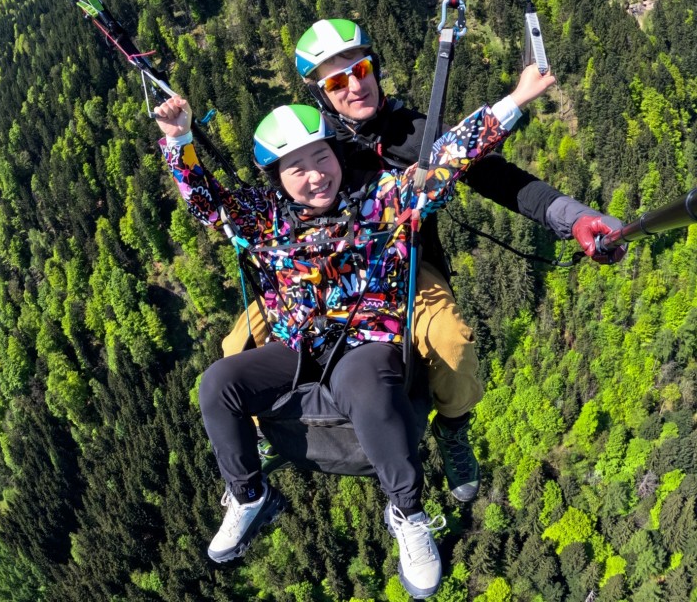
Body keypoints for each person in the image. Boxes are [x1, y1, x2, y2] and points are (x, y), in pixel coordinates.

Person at [154, 64, 556, 598]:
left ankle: (408, 513)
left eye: (321, 158)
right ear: (276, 179)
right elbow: (206, 202)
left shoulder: (379, 200)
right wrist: (179, 138)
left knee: (366, 388)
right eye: (296, 168)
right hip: (297, 344)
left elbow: (447, 159)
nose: (316, 175)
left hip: (364, 342)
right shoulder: (263, 215)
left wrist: (515, 100)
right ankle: (249, 495)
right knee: (217, 383)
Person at [223, 19, 626, 504]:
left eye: (361, 68)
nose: (355, 85)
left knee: (451, 344)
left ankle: (453, 425)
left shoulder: (413, 134)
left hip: (402, 268)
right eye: (336, 80)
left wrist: (575, 219)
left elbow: (497, 178)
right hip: (318, 275)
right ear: (317, 93)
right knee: (238, 343)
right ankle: (268, 430)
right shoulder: (313, 147)